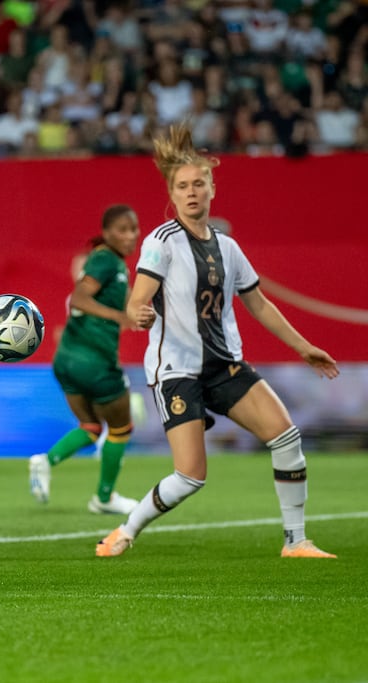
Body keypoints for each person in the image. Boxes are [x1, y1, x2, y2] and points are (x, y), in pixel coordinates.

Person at [96, 125, 340, 559]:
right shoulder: (161, 242)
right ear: (172, 195)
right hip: (177, 371)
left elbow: (259, 304)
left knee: (286, 437)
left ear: (212, 188)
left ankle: (296, 541)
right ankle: (126, 530)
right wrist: (139, 312)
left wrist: (303, 347)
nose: (192, 192)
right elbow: (138, 299)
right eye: (183, 186)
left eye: (199, 184)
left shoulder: (228, 248)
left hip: (225, 365)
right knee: (190, 477)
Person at [29, 204, 142, 515]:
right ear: (107, 233)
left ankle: (45, 460)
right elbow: (80, 297)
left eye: (134, 229)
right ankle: (104, 498)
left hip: (65, 359)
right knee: (121, 428)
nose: (130, 236)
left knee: (91, 425)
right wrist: (119, 316)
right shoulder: (106, 259)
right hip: (95, 361)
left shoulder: (110, 263)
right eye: (123, 229)